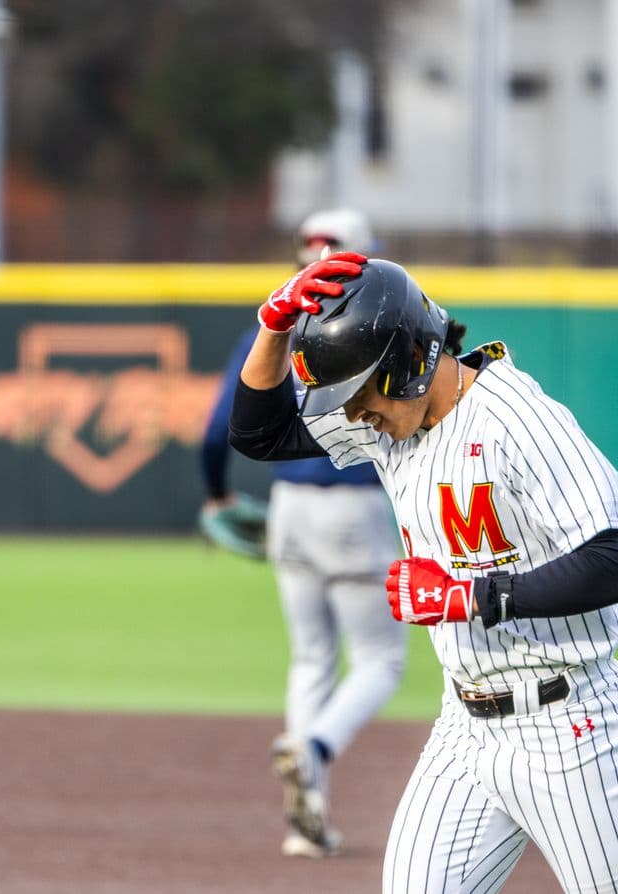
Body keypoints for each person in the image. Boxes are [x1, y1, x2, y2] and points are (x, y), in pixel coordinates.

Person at [228, 254, 618, 893]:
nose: (354, 415)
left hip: (575, 727)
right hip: (464, 730)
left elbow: (613, 564)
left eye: (360, 395)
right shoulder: (389, 427)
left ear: (410, 363)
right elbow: (260, 434)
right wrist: (273, 328)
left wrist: (473, 594)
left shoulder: (519, 421)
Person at [199, 210, 407, 859]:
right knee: (380, 660)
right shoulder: (382, 322)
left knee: (311, 657)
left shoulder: (276, 323)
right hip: (355, 506)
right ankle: (314, 749)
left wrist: (216, 493)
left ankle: (303, 820)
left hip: (289, 502)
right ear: (361, 255)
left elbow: (218, 429)